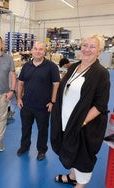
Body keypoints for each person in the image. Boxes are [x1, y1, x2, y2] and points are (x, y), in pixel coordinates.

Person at [51, 35, 110, 188]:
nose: (87, 49)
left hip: (85, 124)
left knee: (83, 155)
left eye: (92, 46)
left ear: (100, 51)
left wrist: (81, 123)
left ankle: (81, 184)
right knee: (70, 149)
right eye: (85, 45)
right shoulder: (74, 67)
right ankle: (72, 177)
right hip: (67, 119)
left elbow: (100, 105)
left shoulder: (101, 73)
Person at [16, 41, 60, 160]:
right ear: (31, 51)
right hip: (26, 105)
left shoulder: (51, 66)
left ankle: (41, 150)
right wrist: (19, 98)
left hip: (43, 106)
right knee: (25, 128)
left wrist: (53, 102)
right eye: (35, 49)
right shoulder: (26, 66)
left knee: (43, 130)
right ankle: (24, 147)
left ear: (44, 51)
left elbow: (56, 85)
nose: (38, 51)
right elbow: (20, 84)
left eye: (41, 49)